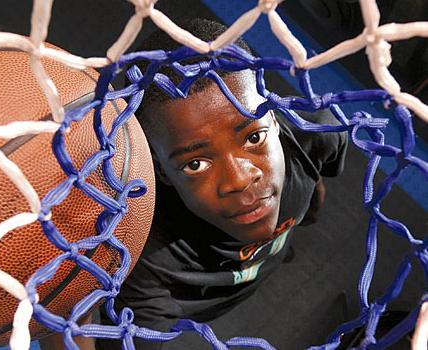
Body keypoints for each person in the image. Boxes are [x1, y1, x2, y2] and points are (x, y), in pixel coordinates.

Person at [95, 18, 348, 350]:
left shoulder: (317, 134)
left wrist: (309, 205)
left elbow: (317, 180)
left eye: (254, 137)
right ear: (160, 171)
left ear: (272, 116)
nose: (240, 180)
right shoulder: (141, 255)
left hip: (267, 257)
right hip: (198, 306)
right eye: (196, 163)